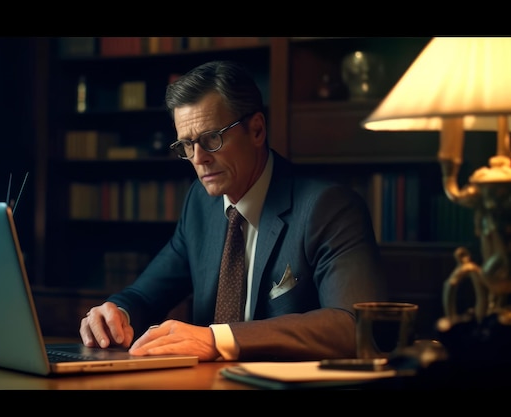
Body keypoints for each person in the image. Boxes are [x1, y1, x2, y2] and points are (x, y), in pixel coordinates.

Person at [80, 60, 387, 361]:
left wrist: (218, 339)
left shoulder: (327, 207)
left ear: (256, 130)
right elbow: (147, 294)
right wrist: (116, 313)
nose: (198, 158)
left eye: (212, 138)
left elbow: (355, 323)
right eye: (186, 145)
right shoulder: (200, 204)